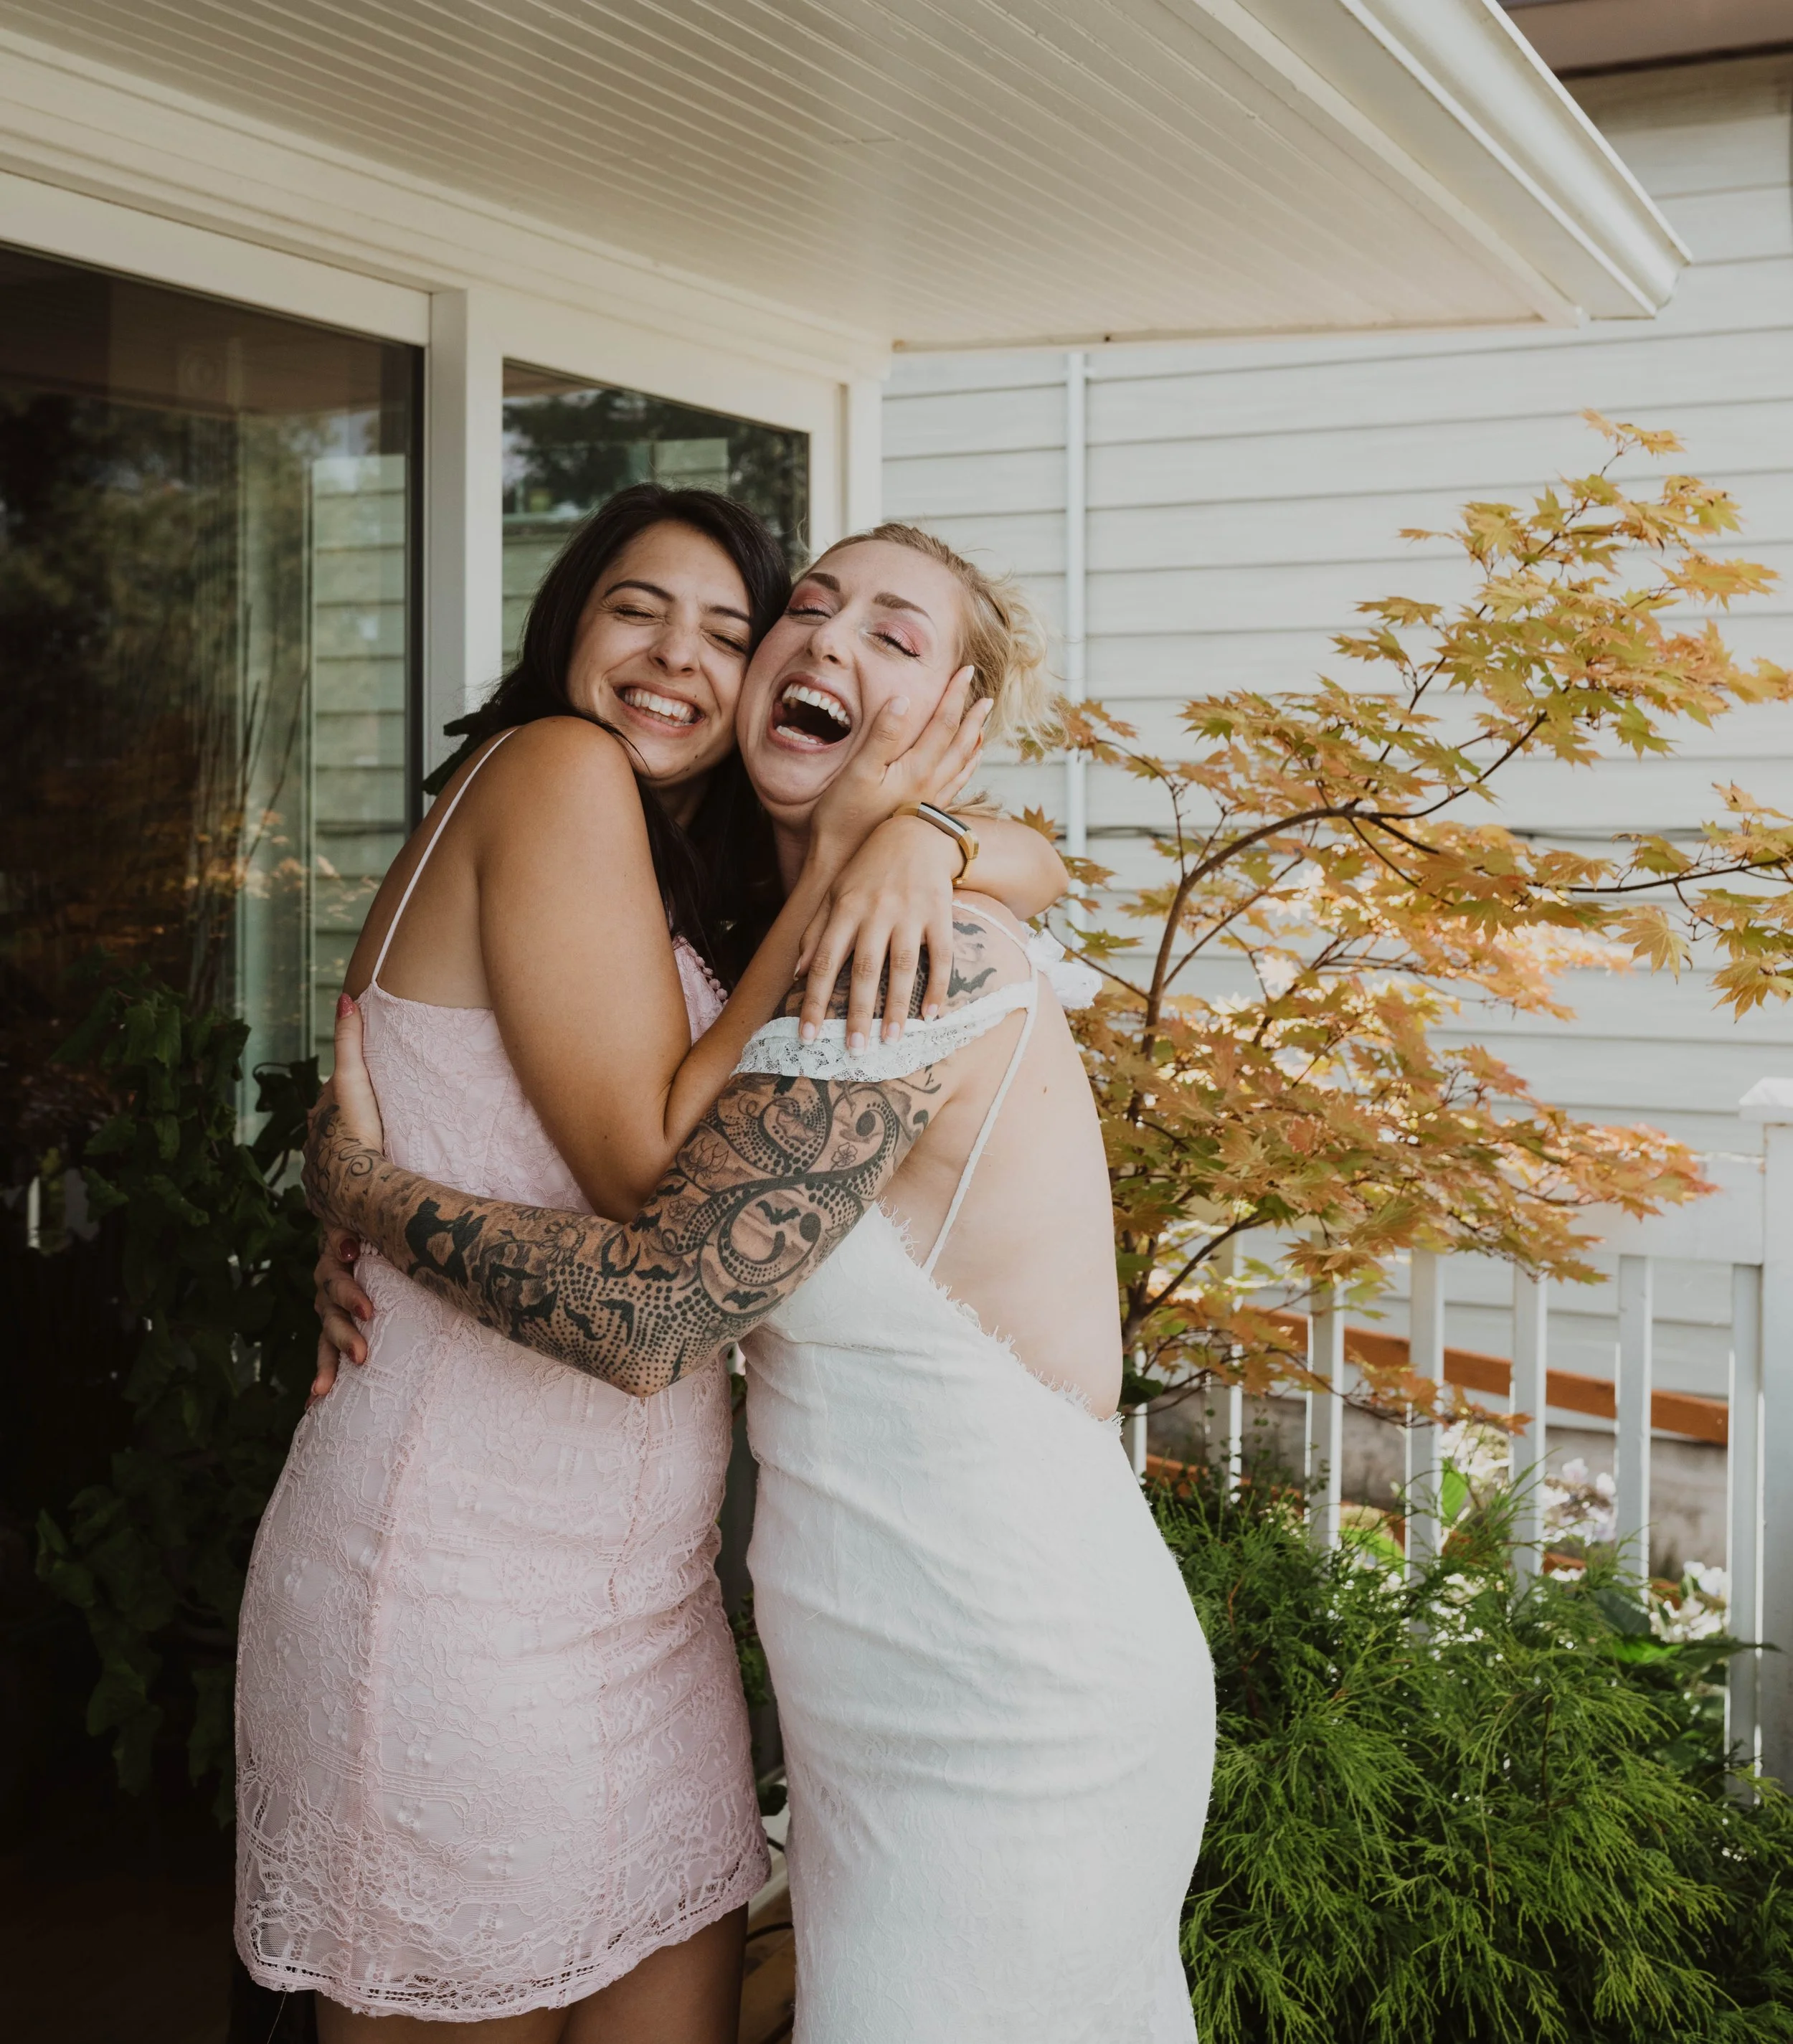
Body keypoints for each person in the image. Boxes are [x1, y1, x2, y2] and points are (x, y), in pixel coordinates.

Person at [306, 524, 1216, 2044]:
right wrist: (918, 831)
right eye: (807, 609)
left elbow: (660, 1307)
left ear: (954, 723)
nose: (823, 641)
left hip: (1007, 1689)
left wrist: (364, 1192)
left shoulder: (918, 959)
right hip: (857, 1692)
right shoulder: (765, 953)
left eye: (895, 636)